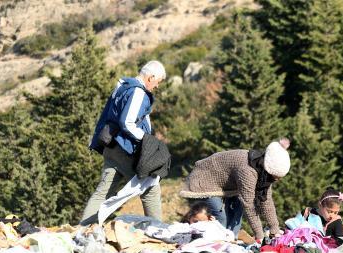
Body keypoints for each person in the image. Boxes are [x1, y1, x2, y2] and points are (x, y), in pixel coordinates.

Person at [80, 61, 166, 226]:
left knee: (103, 192)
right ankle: (158, 230)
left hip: (111, 146)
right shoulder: (137, 92)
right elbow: (127, 123)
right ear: (151, 77)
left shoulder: (122, 86)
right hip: (125, 148)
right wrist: (148, 141)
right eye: (158, 82)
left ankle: (83, 229)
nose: (156, 86)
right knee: (150, 187)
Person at [179, 139, 291, 241]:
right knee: (220, 216)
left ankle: (232, 239)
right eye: (276, 176)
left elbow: (266, 201)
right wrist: (259, 236)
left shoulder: (264, 172)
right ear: (269, 169)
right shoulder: (247, 171)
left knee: (237, 210)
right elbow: (249, 205)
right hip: (205, 179)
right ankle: (217, 242)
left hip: (228, 183)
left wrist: (274, 228)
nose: (277, 179)